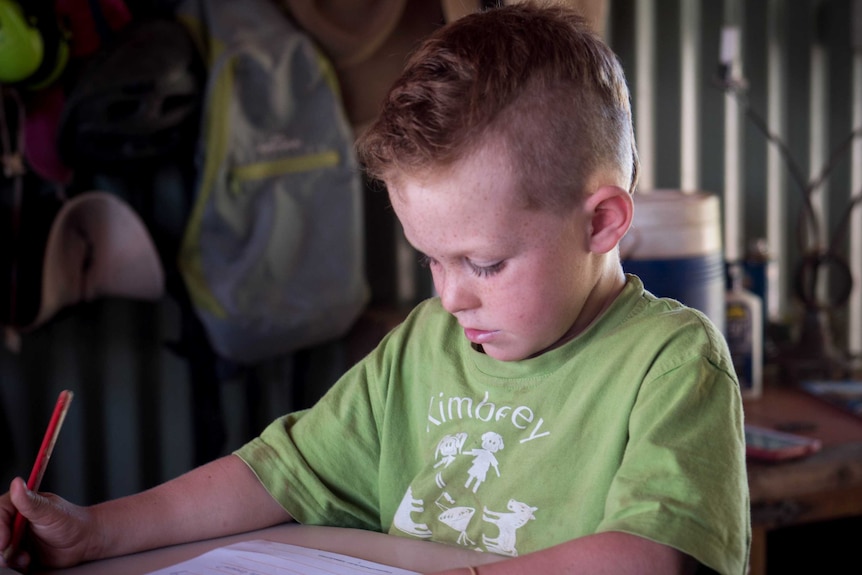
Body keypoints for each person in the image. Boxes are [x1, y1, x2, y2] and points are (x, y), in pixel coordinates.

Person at [1, 2, 750, 574]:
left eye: (483, 263)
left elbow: (648, 555)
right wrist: (97, 530)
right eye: (431, 258)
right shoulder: (426, 344)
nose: (452, 296)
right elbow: (280, 473)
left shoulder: (672, 362)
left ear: (602, 223)